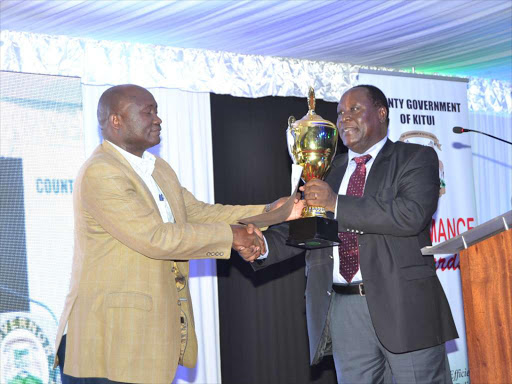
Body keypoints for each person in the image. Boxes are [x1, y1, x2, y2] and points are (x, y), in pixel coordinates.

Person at [54, 84, 301, 384]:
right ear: (116, 120)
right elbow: (156, 238)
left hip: (143, 342)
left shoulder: (158, 169)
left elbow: (198, 213)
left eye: (157, 111)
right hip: (110, 343)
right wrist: (232, 236)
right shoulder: (101, 171)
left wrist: (272, 212)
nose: (158, 119)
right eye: (148, 112)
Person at [241, 85, 458, 383]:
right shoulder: (328, 170)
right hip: (343, 310)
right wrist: (261, 244)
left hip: (404, 306)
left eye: (354, 109)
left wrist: (336, 203)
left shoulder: (415, 158)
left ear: (381, 113)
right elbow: (308, 226)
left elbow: (409, 216)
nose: (344, 118)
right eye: (340, 113)